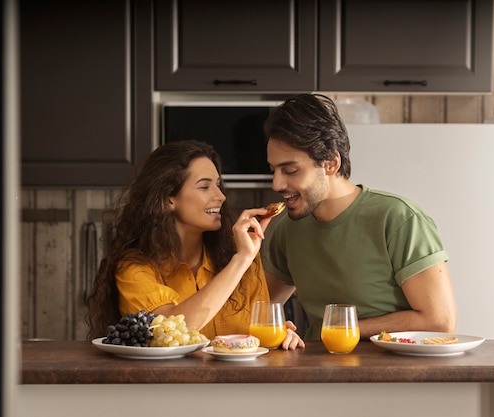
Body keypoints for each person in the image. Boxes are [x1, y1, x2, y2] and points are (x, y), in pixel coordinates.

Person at [262, 93, 457, 341]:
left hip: (395, 374)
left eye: (290, 170)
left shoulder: (399, 219)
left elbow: (440, 321)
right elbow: (258, 312)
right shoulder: (288, 229)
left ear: (331, 164)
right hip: (318, 373)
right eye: (273, 170)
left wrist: (338, 330)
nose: (277, 183)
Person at [85, 140, 305, 350]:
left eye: (218, 185)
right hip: (169, 387)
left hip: (238, 387)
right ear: (168, 198)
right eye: (204, 187)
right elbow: (168, 334)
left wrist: (279, 336)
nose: (220, 196)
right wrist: (241, 260)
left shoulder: (242, 254)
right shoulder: (134, 268)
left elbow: (256, 338)